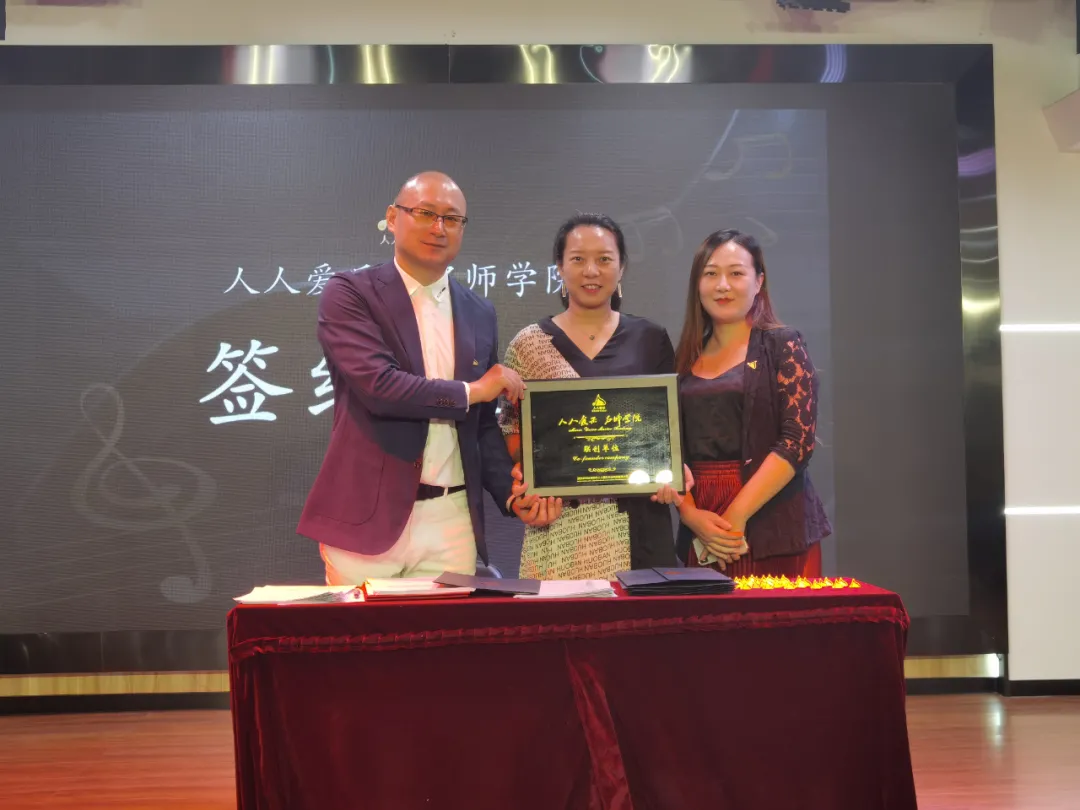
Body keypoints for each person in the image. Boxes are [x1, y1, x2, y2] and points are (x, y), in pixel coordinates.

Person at [298, 171, 554, 584]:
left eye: (452, 219)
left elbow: (481, 425)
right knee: (359, 628)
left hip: (451, 522)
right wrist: (472, 391)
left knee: (444, 629)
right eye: (425, 213)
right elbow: (380, 388)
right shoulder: (351, 293)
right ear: (392, 218)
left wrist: (512, 495)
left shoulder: (478, 311)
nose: (438, 228)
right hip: (368, 518)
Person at [499, 213, 679, 580]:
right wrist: (528, 483)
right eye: (578, 259)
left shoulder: (651, 339)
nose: (591, 271)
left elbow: (668, 430)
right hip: (559, 529)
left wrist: (673, 471)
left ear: (621, 267)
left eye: (604, 259)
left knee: (638, 617)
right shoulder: (528, 345)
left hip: (640, 528)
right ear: (560, 267)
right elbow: (510, 433)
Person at [654, 229, 831, 577]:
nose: (723, 285)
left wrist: (736, 517)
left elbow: (797, 442)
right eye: (711, 274)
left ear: (758, 281)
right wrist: (691, 516)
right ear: (697, 284)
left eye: (736, 273)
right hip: (701, 525)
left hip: (772, 521)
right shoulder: (684, 358)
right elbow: (669, 449)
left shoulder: (783, 344)